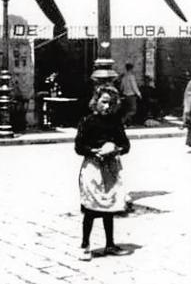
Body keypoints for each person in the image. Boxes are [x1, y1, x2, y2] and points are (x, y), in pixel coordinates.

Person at [74, 85, 131, 261]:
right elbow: (79, 147)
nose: (107, 106)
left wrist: (116, 149)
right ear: (96, 102)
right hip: (93, 166)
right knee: (91, 206)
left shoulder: (115, 122)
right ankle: (85, 245)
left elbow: (126, 145)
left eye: (110, 103)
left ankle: (110, 244)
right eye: (104, 102)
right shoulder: (87, 121)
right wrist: (94, 151)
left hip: (111, 166)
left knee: (109, 206)